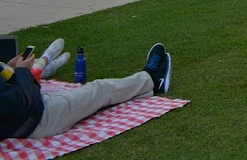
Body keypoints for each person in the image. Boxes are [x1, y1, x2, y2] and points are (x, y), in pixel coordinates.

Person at [1, 40, 171, 140]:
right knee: (99, 90)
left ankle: (145, 86)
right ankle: (152, 78)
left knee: (87, 95)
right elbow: (19, 102)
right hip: (37, 120)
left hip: (26, 113)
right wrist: (21, 71)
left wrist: (8, 69)